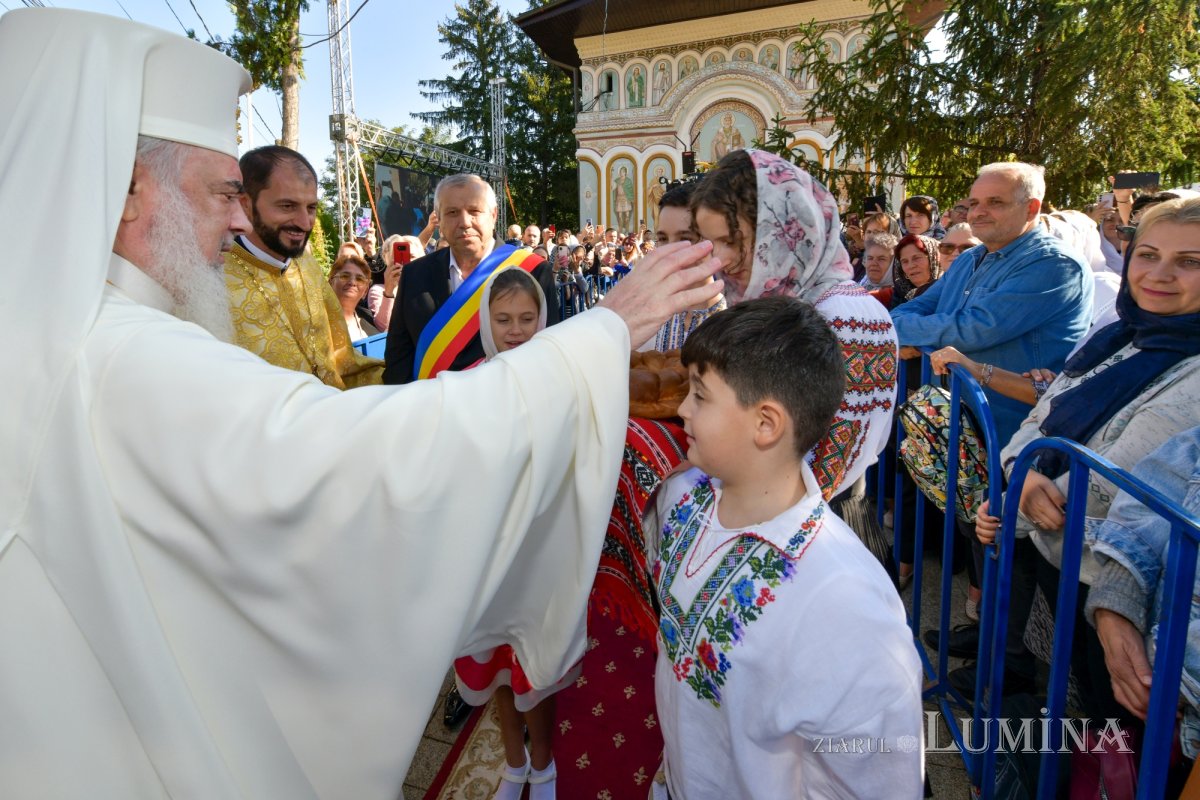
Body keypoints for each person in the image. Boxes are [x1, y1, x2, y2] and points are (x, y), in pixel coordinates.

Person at [0, 10, 728, 798]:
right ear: (131, 190)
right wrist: (604, 334)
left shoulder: (65, 329)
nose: (241, 217)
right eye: (222, 192)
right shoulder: (116, 355)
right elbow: (354, 459)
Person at [646, 297, 923, 799]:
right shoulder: (686, 500)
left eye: (701, 395)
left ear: (766, 424)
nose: (681, 408)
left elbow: (881, 782)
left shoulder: (845, 606)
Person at [969, 196, 1200, 703]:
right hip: (1060, 563)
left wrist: (1011, 510)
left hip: (1120, 591)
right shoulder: (1123, 335)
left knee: (1104, 734)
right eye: (1147, 254)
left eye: (1189, 262)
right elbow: (1041, 416)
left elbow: (1104, 487)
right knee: (1064, 704)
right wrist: (1019, 474)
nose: (1159, 274)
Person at [691, 148, 898, 503]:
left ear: (786, 229)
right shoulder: (779, 303)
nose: (720, 261)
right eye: (713, 244)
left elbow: (828, 470)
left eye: (732, 241)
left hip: (809, 526)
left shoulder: (846, 316)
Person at [454, 268, 564, 800]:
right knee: (496, 667)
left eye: (527, 318)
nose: (517, 331)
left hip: (538, 550)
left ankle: (544, 765)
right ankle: (515, 761)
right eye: (504, 320)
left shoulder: (560, 381)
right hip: (486, 553)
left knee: (533, 667)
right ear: (486, 322)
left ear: (543, 318)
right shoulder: (469, 382)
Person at [1086, 426, 1200, 767]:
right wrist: (1114, 608)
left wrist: (1168, 674)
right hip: (1145, 667)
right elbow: (1155, 490)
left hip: (1171, 691)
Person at [225, 145, 383, 388]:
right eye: (287, 206)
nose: (304, 222)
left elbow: (342, 361)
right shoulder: (216, 277)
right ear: (246, 203)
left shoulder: (306, 264)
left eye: (311, 208)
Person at [382, 174, 560, 385]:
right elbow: (398, 360)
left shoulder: (533, 270)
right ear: (439, 220)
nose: (464, 222)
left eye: (474, 211)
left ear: (493, 215)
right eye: (452, 212)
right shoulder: (414, 275)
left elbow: (548, 357)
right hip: (432, 411)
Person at [639, 181, 726, 352]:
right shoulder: (642, 316)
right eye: (663, 239)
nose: (670, 251)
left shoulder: (733, 322)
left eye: (686, 238)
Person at [328, 251, 379, 341]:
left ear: (365, 291)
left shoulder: (371, 333)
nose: (352, 282)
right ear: (331, 282)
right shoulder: (312, 322)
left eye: (359, 279)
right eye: (345, 276)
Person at [892, 233, 943, 305]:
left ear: (933, 259)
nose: (911, 266)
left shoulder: (948, 291)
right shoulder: (899, 295)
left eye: (917, 258)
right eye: (905, 261)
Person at [859, 231, 897, 306]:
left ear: (893, 264)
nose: (874, 263)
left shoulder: (897, 297)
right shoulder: (860, 287)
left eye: (881, 259)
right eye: (870, 258)